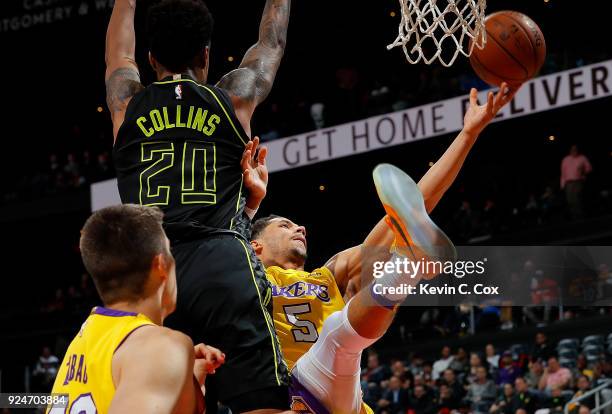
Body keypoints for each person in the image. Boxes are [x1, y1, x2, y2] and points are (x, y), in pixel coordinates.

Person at [249, 85, 517, 413]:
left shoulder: (329, 275)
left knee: (341, 332)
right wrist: (249, 203)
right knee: (337, 335)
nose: (300, 228)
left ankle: (408, 262)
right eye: (285, 225)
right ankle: (406, 267)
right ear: (255, 245)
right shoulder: (244, 277)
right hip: (287, 398)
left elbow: (412, 207)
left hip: (342, 395)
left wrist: (468, 133)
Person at [105, 0, 292, 410]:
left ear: (150, 58)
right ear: (207, 54)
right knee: (261, 403)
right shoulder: (235, 96)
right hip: (222, 262)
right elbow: (271, 41)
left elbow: (118, 56)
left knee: (168, 402)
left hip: (154, 275)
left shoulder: (125, 104)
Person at [47, 205, 224, 413]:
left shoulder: (82, 342)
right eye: (170, 252)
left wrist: (186, 381)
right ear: (161, 265)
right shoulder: (160, 347)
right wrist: (165, 357)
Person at [560, 144, 592, 219]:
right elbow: (563, 173)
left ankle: (580, 216)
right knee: (570, 200)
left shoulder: (582, 158)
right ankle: (574, 216)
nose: (574, 151)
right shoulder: (566, 159)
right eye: (572, 149)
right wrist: (562, 184)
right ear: (570, 150)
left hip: (578, 181)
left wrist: (584, 170)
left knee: (577, 198)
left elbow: (589, 168)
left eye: (575, 149)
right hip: (568, 182)